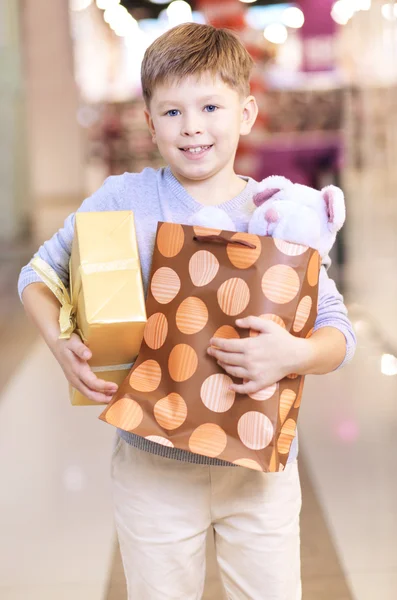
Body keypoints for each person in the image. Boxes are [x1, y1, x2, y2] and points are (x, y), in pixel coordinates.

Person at [18, 22, 356, 600]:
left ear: (246, 113)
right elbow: (38, 275)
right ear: (149, 122)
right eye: (171, 112)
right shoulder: (126, 199)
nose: (192, 126)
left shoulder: (279, 211)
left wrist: (295, 354)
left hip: (259, 471)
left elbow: (337, 330)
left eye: (209, 106)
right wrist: (59, 344)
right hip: (155, 463)